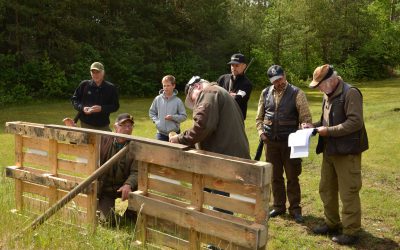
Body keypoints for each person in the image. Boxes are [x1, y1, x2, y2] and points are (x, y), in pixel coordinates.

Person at [302, 64, 368, 245]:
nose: (319, 89)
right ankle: (332, 224)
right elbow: (325, 121)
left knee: (349, 192)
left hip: (347, 153)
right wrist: (313, 126)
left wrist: (328, 131)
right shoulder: (328, 94)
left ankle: (351, 231)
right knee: (326, 189)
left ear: (331, 80)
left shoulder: (351, 93)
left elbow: (355, 122)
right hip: (329, 151)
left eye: (320, 85)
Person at [256, 65, 312, 223]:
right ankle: (279, 206)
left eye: (280, 79)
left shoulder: (297, 93)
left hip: (290, 142)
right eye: (274, 80)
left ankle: (295, 209)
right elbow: (259, 117)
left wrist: (304, 127)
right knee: (275, 176)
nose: (278, 82)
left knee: (293, 176)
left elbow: (306, 118)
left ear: (284, 75)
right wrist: (261, 133)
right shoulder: (265, 93)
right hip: (270, 142)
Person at [169, 76, 250, 159]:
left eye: (192, 98)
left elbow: (202, 126)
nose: (195, 102)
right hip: (235, 156)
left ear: (197, 86)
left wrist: (180, 139)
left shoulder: (208, 92)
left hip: (227, 159)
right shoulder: (219, 92)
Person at [97, 113, 138, 226]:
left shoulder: (136, 146)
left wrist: (129, 184)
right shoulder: (104, 140)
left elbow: (136, 171)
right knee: (107, 222)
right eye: (123, 125)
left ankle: (129, 213)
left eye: (130, 126)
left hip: (126, 190)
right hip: (106, 191)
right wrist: (73, 129)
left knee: (134, 220)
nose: (127, 129)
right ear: (115, 127)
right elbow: (86, 145)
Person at [71, 62, 119, 131]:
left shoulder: (111, 88)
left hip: (103, 125)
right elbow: (74, 100)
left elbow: (115, 106)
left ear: (103, 73)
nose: (95, 75)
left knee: (106, 141)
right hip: (85, 124)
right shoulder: (84, 85)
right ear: (90, 73)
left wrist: (102, 108)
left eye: (98, 72)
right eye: (93, 72)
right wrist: (83, 108)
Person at [149, 75, 187, 141]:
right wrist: (157, 122)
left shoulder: (178, 101)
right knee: (160, 151)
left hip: (174, 133)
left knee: (174, 151)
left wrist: (173, 117)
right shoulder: (158, 99)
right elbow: (152, 112)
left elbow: (184, 116)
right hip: (160, 134)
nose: (166, 88)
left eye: (168, 85)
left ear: (173, 86)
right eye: (164, 85)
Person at [217, 53, 252, 120]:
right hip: (221, 117)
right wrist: (229, 95)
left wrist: (223, 95)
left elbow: (236, 100)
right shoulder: (222, 78)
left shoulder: (247, 84)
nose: (233, 68)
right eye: (232, 65)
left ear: (244, 66)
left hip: (236, 120)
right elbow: (214, 93)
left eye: (237, 65)